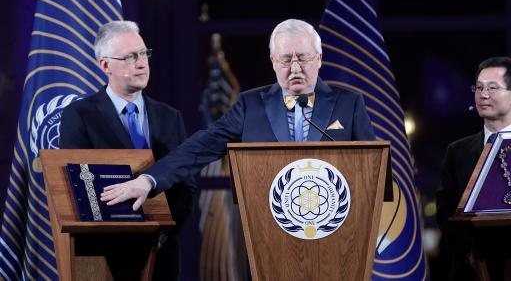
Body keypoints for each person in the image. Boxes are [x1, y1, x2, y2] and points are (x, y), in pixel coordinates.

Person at [100, 18, 376, 210]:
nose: (294, 68)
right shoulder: (250, 106)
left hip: (339, 236)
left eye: (302, 58)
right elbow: (200, 147)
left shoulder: (349, 105)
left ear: (319, 58)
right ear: (272, 62)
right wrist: (149, 180)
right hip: (267, 236)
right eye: (285, 59)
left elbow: (372, 175)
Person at [59, 20, 196, 281]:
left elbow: (186, 187)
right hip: (102, 257)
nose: (142, 63)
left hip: (162, 253)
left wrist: (162, 232)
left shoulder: (170, 117)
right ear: (105, 65)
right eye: (131, 57)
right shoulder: (79, 116)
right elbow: (80, 188)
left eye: (144, 53)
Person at [435, 56, 511, 280]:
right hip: (470, 269)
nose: (483, 95)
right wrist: (469, 252)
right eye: (479, 88)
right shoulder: (457, 151)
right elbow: (445, 210)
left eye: (493, 88)